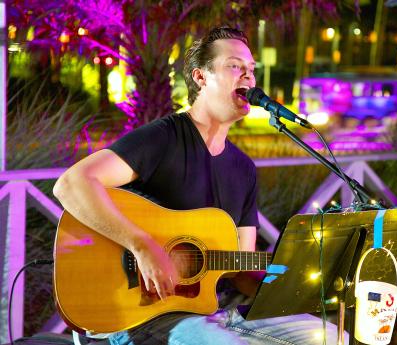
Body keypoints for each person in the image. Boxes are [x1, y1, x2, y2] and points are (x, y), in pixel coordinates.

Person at [54, 27, 345, 345]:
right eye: (235, 66)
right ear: (200, 77)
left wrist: (301, 266)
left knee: (329, 336)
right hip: (141, 318)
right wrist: (142, 245)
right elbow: (71, 184)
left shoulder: (244, 169)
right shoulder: (163, 138)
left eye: (251, 70)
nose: (248, 77)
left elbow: (241, 269)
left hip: (208, 315)